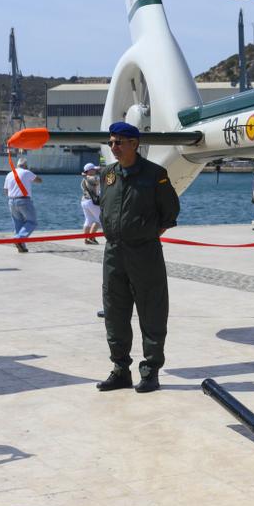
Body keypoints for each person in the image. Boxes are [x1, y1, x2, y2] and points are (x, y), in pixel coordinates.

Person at [95, 121, 179, 394]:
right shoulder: (108, 174)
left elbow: (169, 213)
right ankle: (120, 370)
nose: (113, 147)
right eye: (111, 142)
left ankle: (151, 370)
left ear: (134, 144)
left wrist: (144, 234)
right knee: (114, 311)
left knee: (151, 310)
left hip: (144, 252)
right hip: (113, 252)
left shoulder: (155, 174)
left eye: (119, 142)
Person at [4, 156, 40, 253]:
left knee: (18, 224)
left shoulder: (9, 174)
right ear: (25, 165)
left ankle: (22, 247)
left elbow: (6, 191)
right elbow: (39, 180)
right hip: (24, 200)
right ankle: (18, 238)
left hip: (11, 201)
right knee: (32, 222)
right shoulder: (26, 172)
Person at [79, 162, 103, 244]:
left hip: (84, 201)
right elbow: (100, 180)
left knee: (88, 220)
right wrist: (103, 171)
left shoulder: (84, 179)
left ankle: (86, 239)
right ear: (89, 171)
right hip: (91, 201)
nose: (96, 170)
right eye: (94, 169)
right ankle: (91, 238)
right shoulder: (91, 178)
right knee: (100, 219)